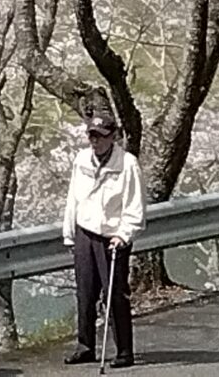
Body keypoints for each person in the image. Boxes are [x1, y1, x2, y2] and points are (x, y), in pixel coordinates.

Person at [62, 110, 145, 369]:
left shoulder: (127, 164)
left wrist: (124, 234)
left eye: (100, 136)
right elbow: (73, 199)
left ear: (113, 137)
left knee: (114, 295)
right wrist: (69, 234)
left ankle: (124, 351)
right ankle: (85, 346)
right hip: (85, 232)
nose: (95, 141)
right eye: (91, 136)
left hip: (113, 237)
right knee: (85, 293)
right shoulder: (81, 159)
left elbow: (135, 206)